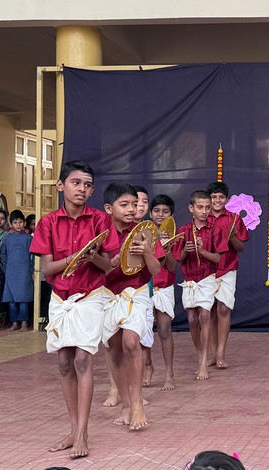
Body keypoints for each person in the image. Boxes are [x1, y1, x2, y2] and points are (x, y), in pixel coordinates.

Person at [29, 160, 118, 459]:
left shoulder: (99, 220)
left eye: (88, 184)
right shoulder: (48, 222)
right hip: (60, 298)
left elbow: (108, 266)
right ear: (61, 186)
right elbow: (46, 270)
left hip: (91, 296)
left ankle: (82, 434)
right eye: (76, 182)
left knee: (82, 360)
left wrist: (94, 258)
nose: (82, 189)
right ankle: (72, 429)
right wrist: (77, 258)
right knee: (64, 362)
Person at [101, 183, 164, 430]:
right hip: (107, 295)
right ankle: (125, 403)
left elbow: (156, 269)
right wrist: (111, 262)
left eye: (134, 204)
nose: (131, 209)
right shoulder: (99, 231)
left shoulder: (143, 230)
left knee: (130, 342)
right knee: (114, 349)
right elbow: (94, 265)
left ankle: (137, 403)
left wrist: (148, 252)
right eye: (124, 205)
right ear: (109, 208)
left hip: (136, 292)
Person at [175, 189, 227, 381]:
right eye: (200, 207)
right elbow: (177, 260)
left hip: (207, 278)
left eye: (207, 207)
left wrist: (202, 250)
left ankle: (204, 361)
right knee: (192, 320)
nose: (204, 211)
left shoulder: (216, 230)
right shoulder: (183, 231)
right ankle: (200, 353)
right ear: (191, 208)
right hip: (189, 280)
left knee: (204, 315)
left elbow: (217, 258)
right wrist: (186, 251)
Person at [205, 181, 250, 370]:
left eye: (221, 197)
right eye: (213, 197)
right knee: (208, 312)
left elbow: (241, 247)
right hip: (206, 271)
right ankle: (212, 355)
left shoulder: (234, 219)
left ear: (227, 199)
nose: (217, 200)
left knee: (223, 309)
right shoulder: (202, 218)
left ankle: (221, 354)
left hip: (227, 269)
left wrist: (232, 237)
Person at [149, 193, 182, 390]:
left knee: (163, 330)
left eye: (165, 211)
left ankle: (169, 374)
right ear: (151, 213)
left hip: (164, 288)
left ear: (171, 215)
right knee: (143, 333)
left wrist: (167, 248)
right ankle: (148, 366)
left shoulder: (175, 237)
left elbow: (171, 267)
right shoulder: (143, 233)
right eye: (157, 211)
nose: (160, 215)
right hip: (145, 288)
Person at [133, 185, 156, 387]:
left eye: (145, 202)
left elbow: (157, 267)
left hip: (143, 291)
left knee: (141, 338)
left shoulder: (150, 231)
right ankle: (116, 388)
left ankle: (146, 366)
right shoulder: (113, 228)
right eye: (136, 201)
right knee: (113, 344)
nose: (140, 205)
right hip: (116, 293)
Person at [0, 209, 35, 331]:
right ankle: (14, 322)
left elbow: (34, 256)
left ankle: (24, 322)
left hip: (24, 271)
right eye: (15, 222)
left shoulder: (29, 239)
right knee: (12, 300)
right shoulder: (7, 239)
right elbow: (3, 255)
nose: (18, 225)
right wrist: (6, 268)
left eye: (20, 222)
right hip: (10, 272)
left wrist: (31, 269)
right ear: (10, 224)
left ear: (24, 223)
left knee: (23, 298)